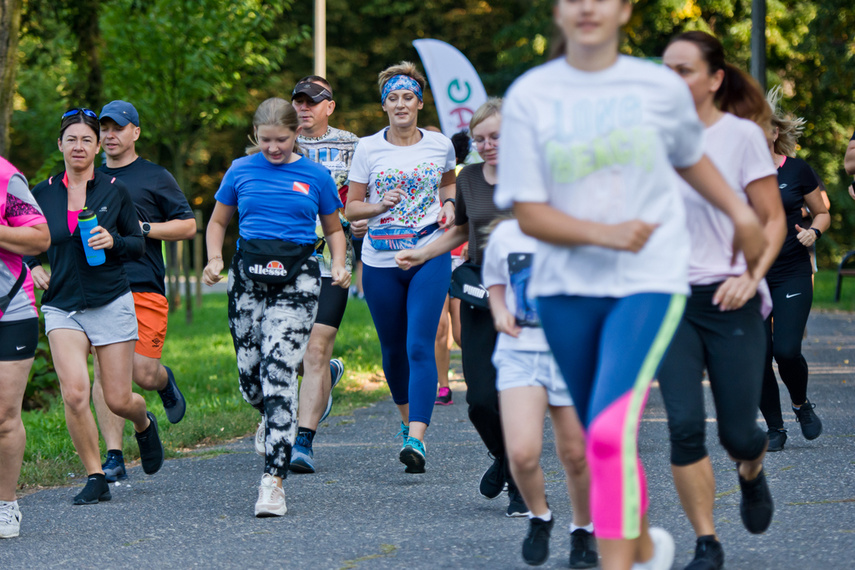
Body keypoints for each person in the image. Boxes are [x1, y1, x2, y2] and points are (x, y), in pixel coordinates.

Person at [496, 1, 767, 569]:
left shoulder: (656, 88)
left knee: (605, 434)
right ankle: (644, 547)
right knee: (601, 439)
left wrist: (740, 214)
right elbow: (530, 213)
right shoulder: (531, 96)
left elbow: (690, 158)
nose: (587, 7)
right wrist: (607, 234)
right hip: (564, 288)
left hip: (649, 281)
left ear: (624, 9)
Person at [657, 31, 786, 569]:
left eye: (684, 70)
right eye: (665, 69)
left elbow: (772, 220)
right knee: (685, 427)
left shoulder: (741, 136)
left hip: (731, 295)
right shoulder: (648, 138)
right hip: (669, 300)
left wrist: (751, 276)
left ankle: (751, 472)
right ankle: (706, 542)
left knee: (738, 433)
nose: (671, 80)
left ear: (714, 79)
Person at [202, 98, 348, 517]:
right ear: (255, 135)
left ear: (296, 133)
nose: (273, 148)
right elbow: (217, 221)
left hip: (298, 277)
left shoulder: (315, 175)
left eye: (281, 139)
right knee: (252, 380)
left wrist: (339, 264)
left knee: (278, 372)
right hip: (248, 277)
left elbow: (334, 230)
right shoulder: (240, 170)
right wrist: (214, 258)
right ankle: (272, 412)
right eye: (265, 140)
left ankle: (273, 482)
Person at [396, 99, 527, 515]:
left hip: (527, 296)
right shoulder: (468, 177)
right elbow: (461, 231)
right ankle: (505, 459)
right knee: (480, 400)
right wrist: (421, 254)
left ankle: (519, 483)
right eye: (480, 139)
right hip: (480, 294)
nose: (488, 145)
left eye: (497, 137)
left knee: (517, 395)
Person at [26, 108, 163, 505]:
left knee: (119, 398)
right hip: (62, 305)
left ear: (98, 146)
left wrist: (113, 242)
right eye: (72, 139)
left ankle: (143, 422)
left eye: (87, 139)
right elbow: (22, 237)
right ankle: (95, 475)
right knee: (74, 394)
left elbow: (136, 244)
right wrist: (34, 266)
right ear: (60, 145)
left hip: (110, 300)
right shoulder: (42, 193)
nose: (79, 146)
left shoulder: (115, 191)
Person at [345, 61, 456, 474]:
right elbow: (352, 207)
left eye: (408, 96)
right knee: (393, 349)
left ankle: (417, 439)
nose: (400, 104)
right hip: (381, 260)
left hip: (429, 253)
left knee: (418, 345)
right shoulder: (368, 148)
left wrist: (449, 204)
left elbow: (448, 183)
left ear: (420, 103)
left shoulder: (440, 144)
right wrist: (377, 206)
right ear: (384, 106)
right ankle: (407, 423)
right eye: (392, 98)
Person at [253, 76, 360, 475]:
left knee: (316, 349)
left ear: (329, 106)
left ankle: (303, 441)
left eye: (312, 102)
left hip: (331, 262)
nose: (304, 108)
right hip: (282, 263)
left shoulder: (354, 146)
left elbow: (363, 195)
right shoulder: (278, 142)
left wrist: (360, 219)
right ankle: (323, 378)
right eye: (299, 101)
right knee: (284, 349)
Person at [483, 216, 597, 568]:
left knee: (576, 455)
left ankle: (583, 529)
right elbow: (495, 281)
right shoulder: (506, 234)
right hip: (519, 353)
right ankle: (539, 516)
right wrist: (500, 311)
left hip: (571, 355)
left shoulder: (582, 226)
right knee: (521, 455)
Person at [92, 100, 196, 482]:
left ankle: (164, 382)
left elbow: (187, 226)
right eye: (104, 128)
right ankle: (114, 455)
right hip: (101, 286)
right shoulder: (89, 178)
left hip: (143, 284)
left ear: (135, 132)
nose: (110, 135)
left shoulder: (155, 176)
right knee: (105, 372)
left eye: (118, 128)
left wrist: (143, 229)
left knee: (143, 374)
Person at [758, 89, 831, 451]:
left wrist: (814, 232)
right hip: (750, 276)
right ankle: (775, 428)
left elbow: (823, 211)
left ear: (775, 132)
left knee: (786, 350)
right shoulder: (731, 174)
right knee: (757, 355)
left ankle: (801, 405)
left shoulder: (797, 169)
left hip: (791, 270)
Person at [0, 157, 51, 538]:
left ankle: (6, 504)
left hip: (10, 308)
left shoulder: (6, 177)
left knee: (4, 416)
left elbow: (40, 237)